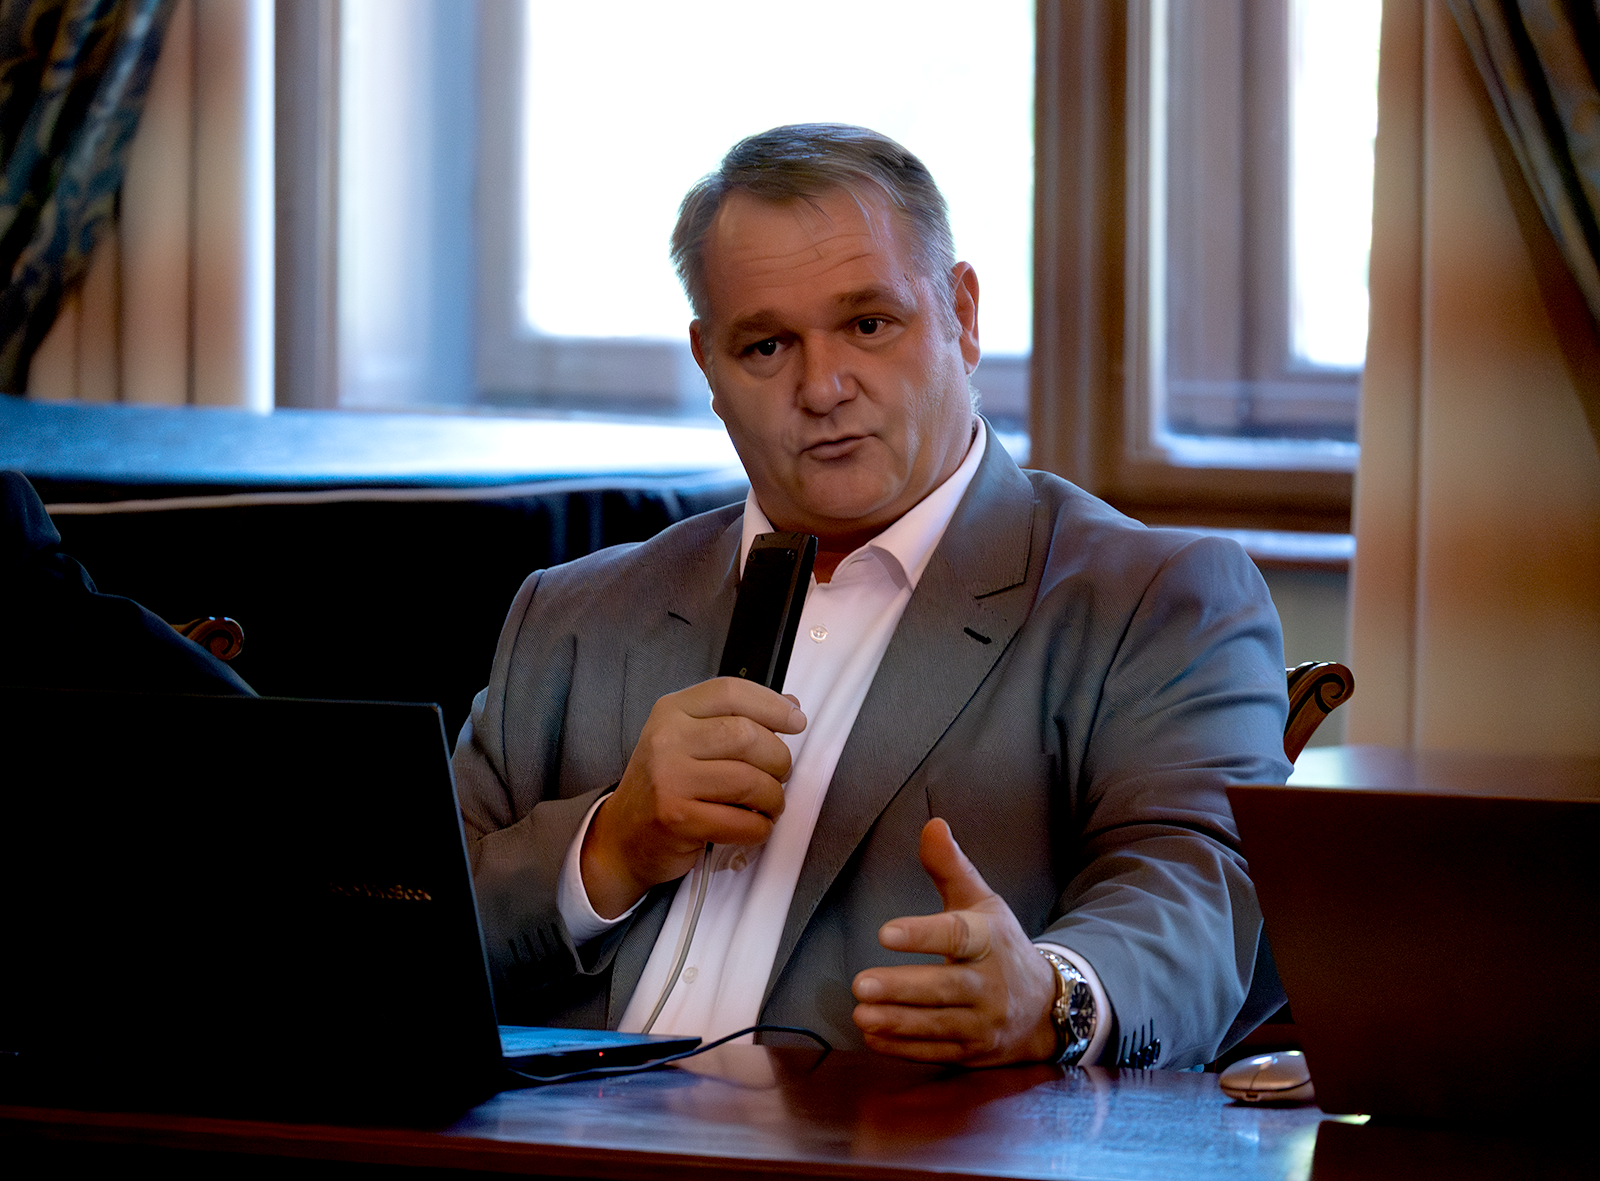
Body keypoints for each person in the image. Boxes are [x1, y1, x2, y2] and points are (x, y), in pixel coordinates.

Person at [455, 124, 1289, 1070]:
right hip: (542, 1138)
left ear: (962, 316)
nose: (822, 388)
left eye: (868, 325)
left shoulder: (1153, 599)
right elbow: (398, 922)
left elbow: (1196, 898)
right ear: (708, 365)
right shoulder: (571, 613)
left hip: (882, 1143)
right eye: (766, 345)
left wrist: (1048, 995)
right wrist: (609, 849)